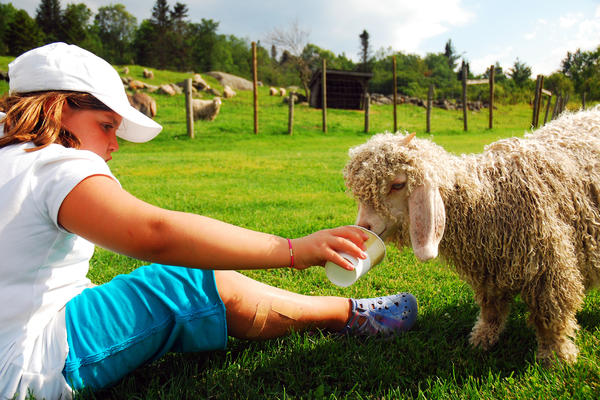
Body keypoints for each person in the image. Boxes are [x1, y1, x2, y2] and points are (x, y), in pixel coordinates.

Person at [0, 43, 417, 399]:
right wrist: (293, 250)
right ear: (56, 107)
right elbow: (154, 233)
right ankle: (347, 315)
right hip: (28, 362)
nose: (113, 145)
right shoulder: (54, 162)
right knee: (187, 284)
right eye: (107, 126)